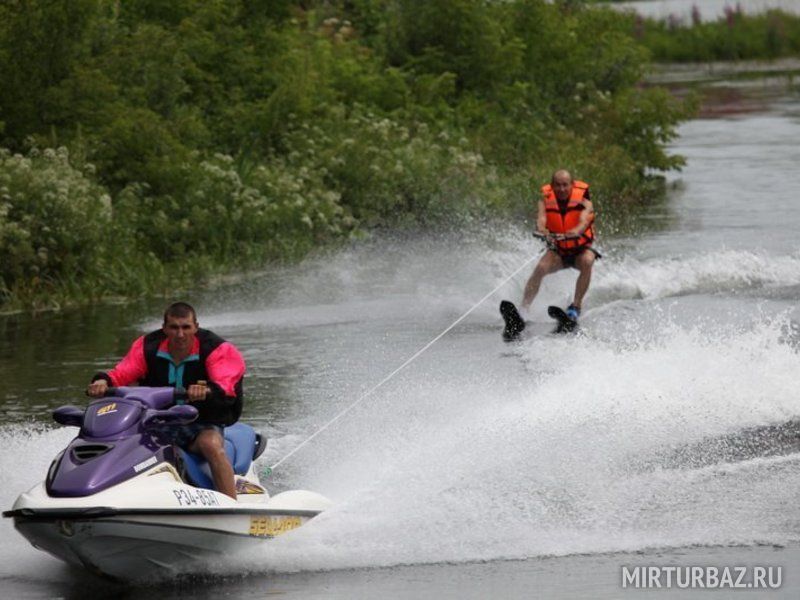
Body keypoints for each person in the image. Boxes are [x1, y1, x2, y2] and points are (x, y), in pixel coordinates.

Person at [87, 302, 245, 498]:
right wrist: (103, 381)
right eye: (174, 327)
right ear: (164, 328)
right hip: (158, 422)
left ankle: (231, 504)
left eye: (186, 327)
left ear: (196, 326)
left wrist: (207, 390)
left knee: (211, 445)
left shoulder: (216, 348)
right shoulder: (147, 347)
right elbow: (122, 373)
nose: (180, 334)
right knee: (123, 441)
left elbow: (226, 381)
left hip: (202, 423)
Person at [520, 169, 599, 322]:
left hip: (579, 251)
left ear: (572, 185)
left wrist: (575, 231)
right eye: (557, 185)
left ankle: (575, 307)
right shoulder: (544, 202)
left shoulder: (585, 202)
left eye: (565, 185)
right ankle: (523, 309)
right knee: (541, 268)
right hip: (558, 252)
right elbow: (541, 220)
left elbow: (583, 222)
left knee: (588, 260)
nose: (561, 189)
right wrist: (543, 232)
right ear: (552, 186)